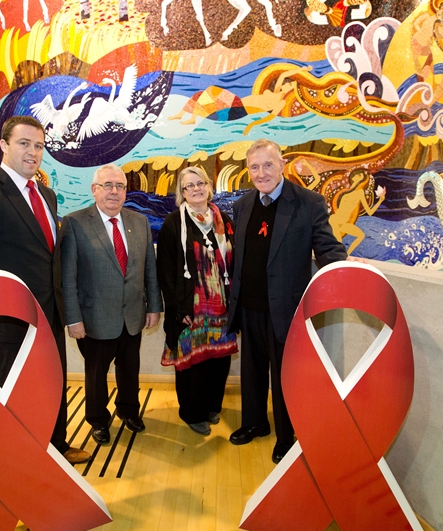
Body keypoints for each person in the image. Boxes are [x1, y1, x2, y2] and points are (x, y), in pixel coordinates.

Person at [0, 115, 91, 465]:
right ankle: (25, 471)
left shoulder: (47, 195)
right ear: (4, 145)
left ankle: (56, 449)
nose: (33, 152)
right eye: (24, 144)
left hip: (50, 316)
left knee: (52, 388)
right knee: (17, 401)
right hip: (11, 323)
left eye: (39, 146)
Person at [227, 139, 347, 463]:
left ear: (282, 164)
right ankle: (254, 423)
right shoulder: (242, 206)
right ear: (248, 170)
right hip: (248, 306)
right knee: (251, 374)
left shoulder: (308, 203)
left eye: (268, 165)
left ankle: (285, 437)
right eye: (254, 167)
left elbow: (327, 248)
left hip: (286, 310)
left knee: (284, 378)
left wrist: (346, 269)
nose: (261, 172)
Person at [61, 164, 163, 445]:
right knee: (96, 375)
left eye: (119, 186)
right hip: (94, 318)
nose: (114, 192)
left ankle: (129, 411)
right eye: (108, 185)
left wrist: (154, 306)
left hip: (133, 314)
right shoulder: (74, 223)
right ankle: (98, 420)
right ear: (94, 190)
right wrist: (73, 318)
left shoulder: (139, 222)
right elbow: (67, 276)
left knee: (130, 369)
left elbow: (149, 270)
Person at [156, 166, 237, 436]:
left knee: (218, 360)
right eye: (189, 186)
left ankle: (213, 405)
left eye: (200, 183)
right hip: (190, 308)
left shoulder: (222, 220)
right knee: (193, 362)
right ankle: (192, 412)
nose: (196, 189)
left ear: (208, 186)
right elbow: (166, 271)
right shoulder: (173, 223)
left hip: (221, 305)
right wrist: (179, 309)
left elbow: (235, 261)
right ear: (182, 193)